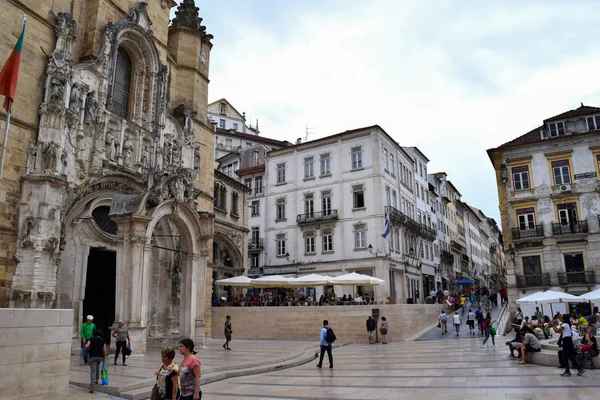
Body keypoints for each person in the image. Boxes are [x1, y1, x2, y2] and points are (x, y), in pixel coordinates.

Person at [85, 329, 106, 393]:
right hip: (99, 357)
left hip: (92, 356)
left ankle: (92, 386)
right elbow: (104, 350)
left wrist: (87, 348)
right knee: (97, 367)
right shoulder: (103, 340)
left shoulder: (91, 339)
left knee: (93, 370)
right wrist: (104, 359)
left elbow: (87, 346)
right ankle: (96, 379)